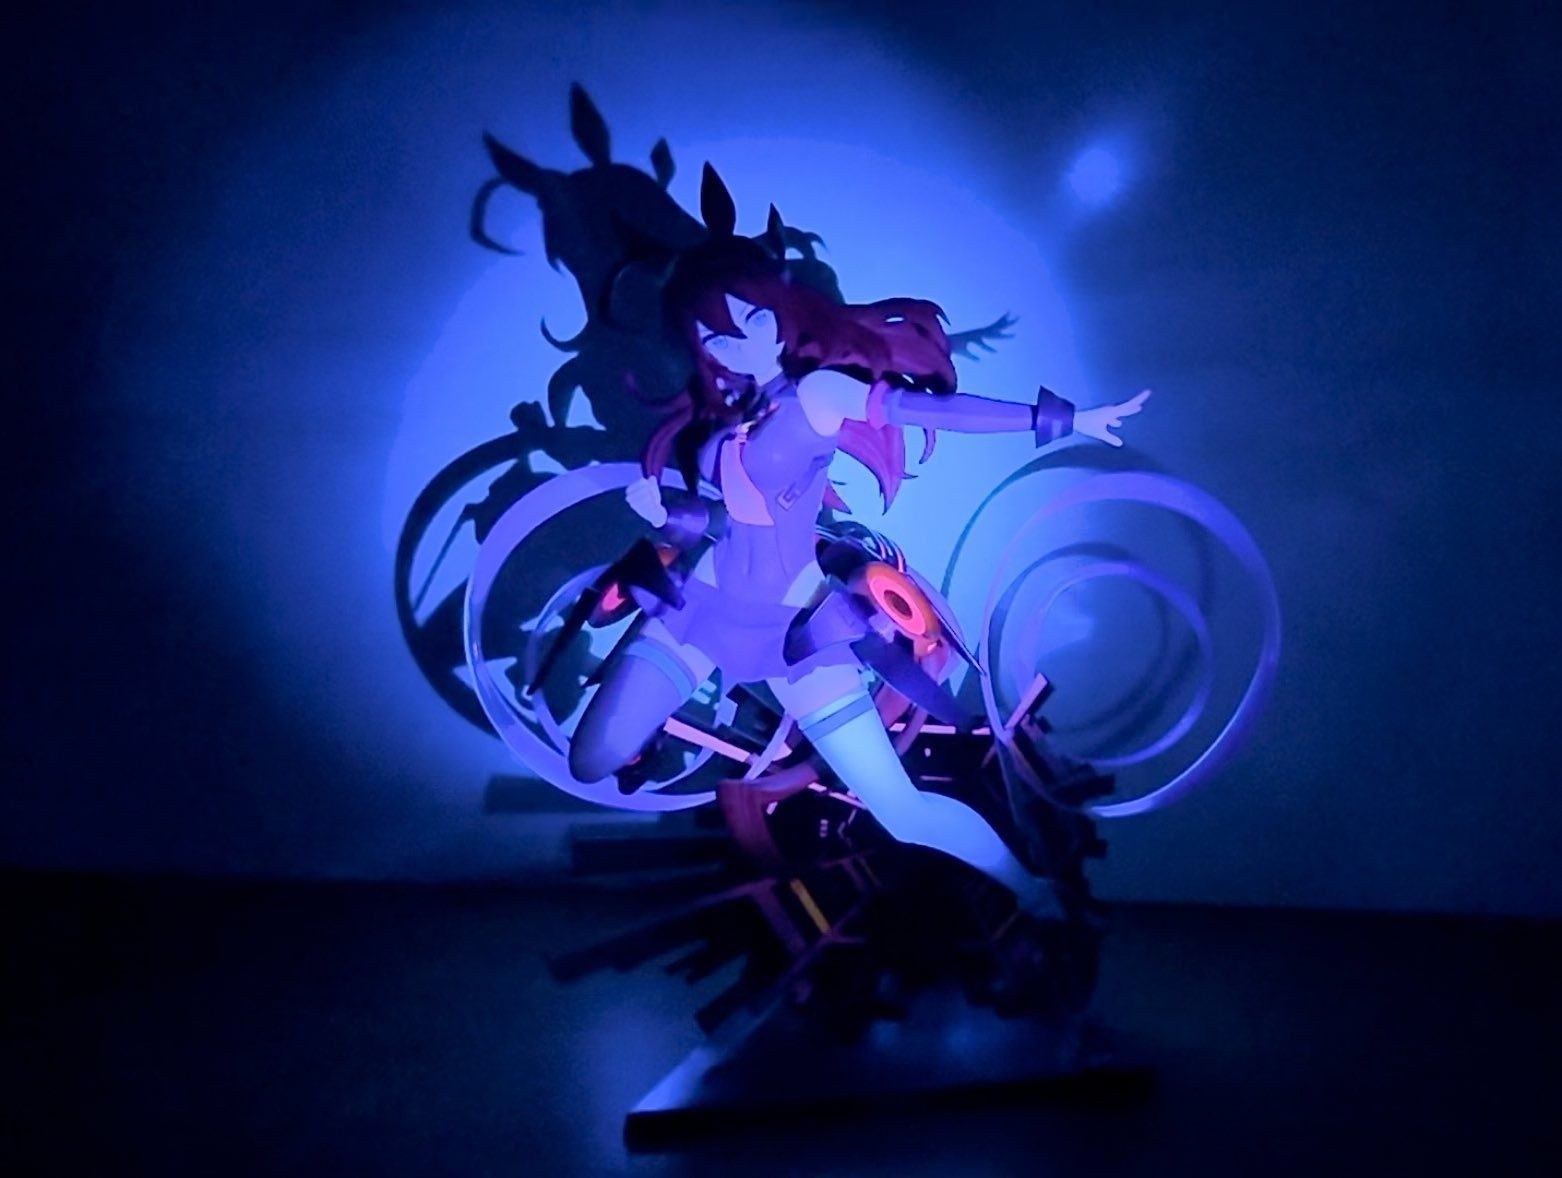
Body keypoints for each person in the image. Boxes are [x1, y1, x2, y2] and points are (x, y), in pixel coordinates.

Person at [567, 231, 1148, 916]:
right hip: (703, 607)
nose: (741, 345)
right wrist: (669, 510)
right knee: (590, 758)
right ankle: (650, 748)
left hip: (796, 634)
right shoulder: (727, 412)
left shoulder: (817, 395)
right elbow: (730, 514)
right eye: (717, 336)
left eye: (753, 319)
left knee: (903, 812)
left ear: (779, 311)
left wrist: (1063, 419)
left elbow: (931, 410)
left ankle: (1032, 893)